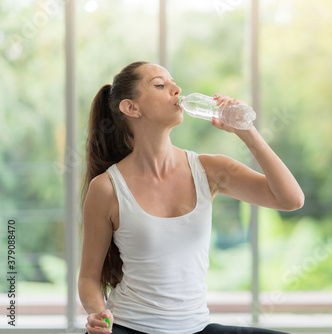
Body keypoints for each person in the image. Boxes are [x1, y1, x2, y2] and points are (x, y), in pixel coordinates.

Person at [78, 61, 304, 334]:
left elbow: (291, 199)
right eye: (160, 85)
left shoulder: (208, 171)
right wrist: (98, 314)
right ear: (131, 107)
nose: (177, 89)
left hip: (197, 328)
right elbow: (89, 277)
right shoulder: (106, 188)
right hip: (129, 327)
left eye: (173, 83)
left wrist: (247, 132)